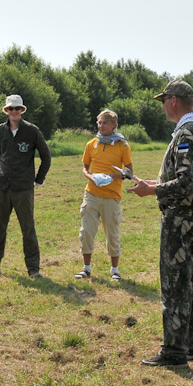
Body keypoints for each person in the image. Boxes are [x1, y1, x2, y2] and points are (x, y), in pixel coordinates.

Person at [128, 80, 193, 368]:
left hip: (180, 221)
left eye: (164, 100)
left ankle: (175, 350)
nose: (163, 105)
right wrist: (158, 183)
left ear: (174, 100)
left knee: (176, 285)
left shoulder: (187, 133)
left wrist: (153, 190)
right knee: (192, 282)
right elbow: (187, 178)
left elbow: (187, 183)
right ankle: (189, 344)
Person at [0, 95, 51, 277]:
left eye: (17, 109)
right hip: (2, 186)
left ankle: (33, 269)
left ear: (22, 111)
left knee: (28, 228)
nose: (14, 112)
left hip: (23, 188)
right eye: (11, 109)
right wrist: (2, 172)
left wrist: (38, 179)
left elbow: (46, 156)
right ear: (6, 111)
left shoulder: (32, 131)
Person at [75, 110, 133, 282]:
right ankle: (86, 269)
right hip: (91, 194)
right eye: (99, 123)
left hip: (112, 197)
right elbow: (85, 168)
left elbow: (129, 172)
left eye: (105, 123)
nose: (101, 126)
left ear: (114, 125)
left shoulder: (123, 146)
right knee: (86, 232)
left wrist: (111, 177)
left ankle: (114, 271)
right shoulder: (91, 144)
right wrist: (91, 177)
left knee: (112, 234)